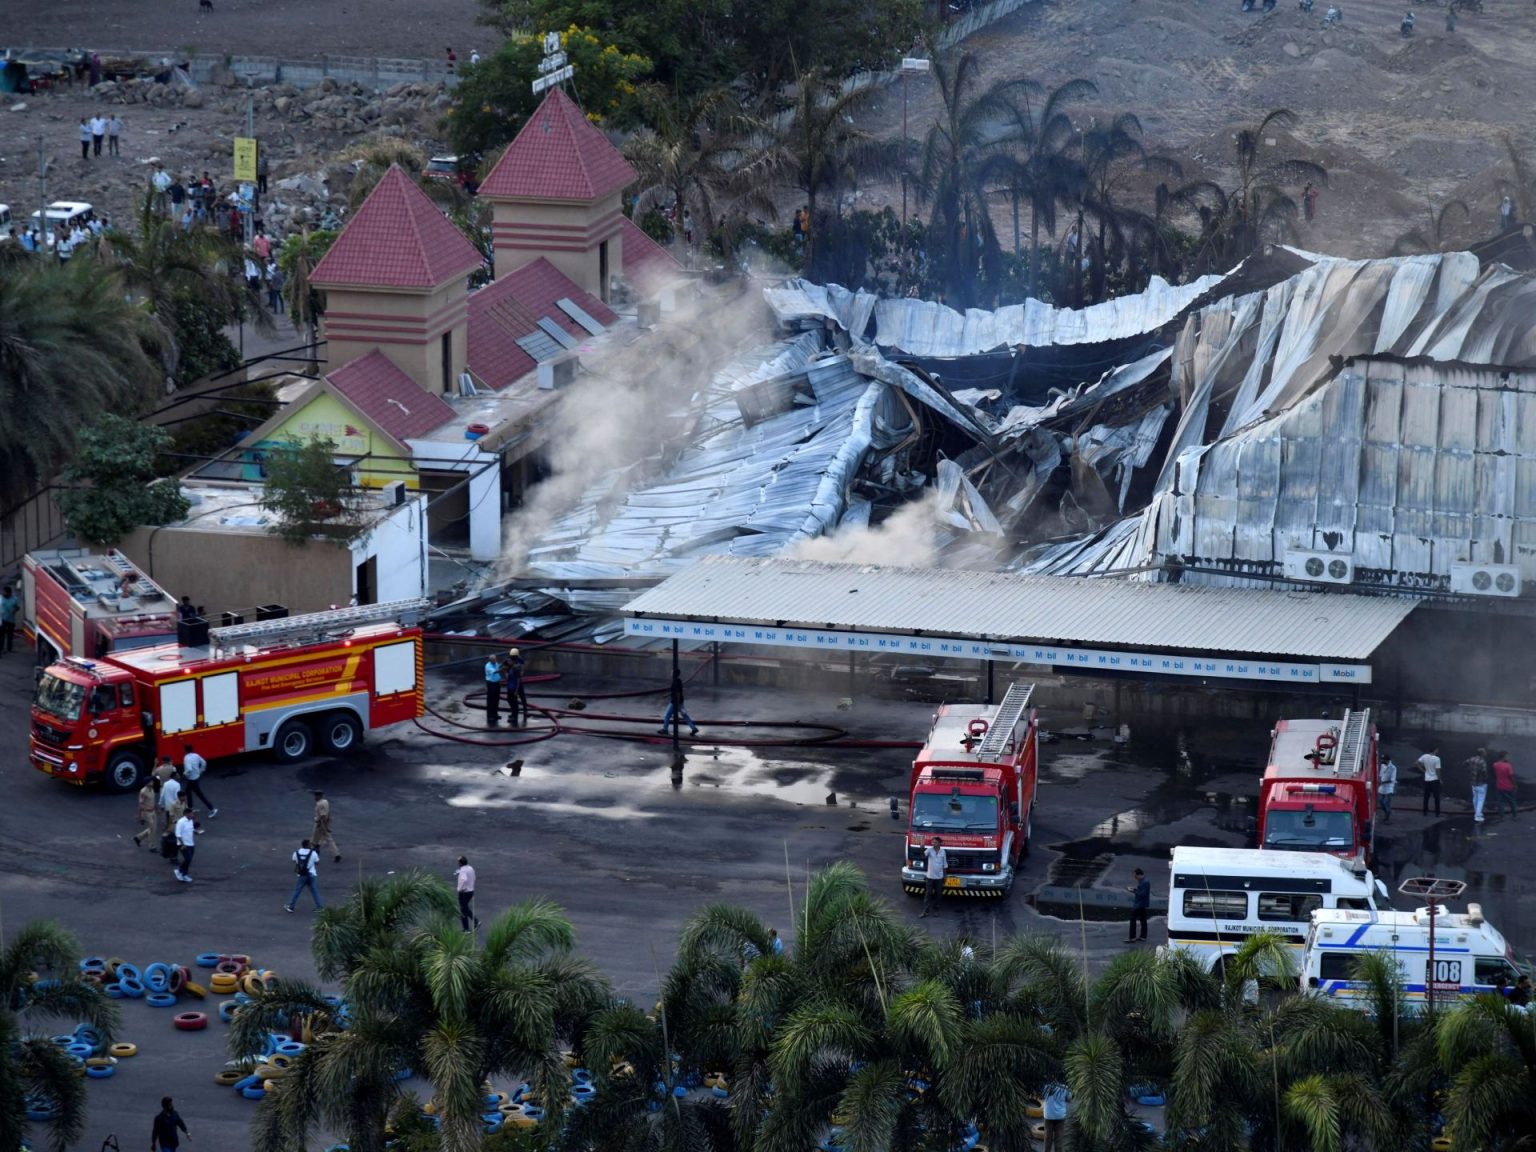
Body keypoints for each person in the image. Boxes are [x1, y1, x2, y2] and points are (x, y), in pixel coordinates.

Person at [659, 668, 699, 736]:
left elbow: (677, 693)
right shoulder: (678, 681)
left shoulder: (675, 682)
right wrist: (667, 695)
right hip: (679, 701)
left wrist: (677, 704)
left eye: (672, 672)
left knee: (667, 715)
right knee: (685, 715)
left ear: (674, 674)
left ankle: (665, 729)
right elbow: (676, 692)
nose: (671, 673)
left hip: (675, 702)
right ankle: (693, 728)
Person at [286, 839, 322, 912]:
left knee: (297, 890)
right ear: (308, 845)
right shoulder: (313, 853)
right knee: (314, 891)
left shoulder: (296, 853)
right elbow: (317, 862)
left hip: (302, 874)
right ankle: (320, 907)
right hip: (311, 874)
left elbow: (294, 861)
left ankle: (291, 906)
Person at [181, 744, 216, 817]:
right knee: (188, 792)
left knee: (198, 794)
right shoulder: (196, 755)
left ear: (185, 750)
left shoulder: (186, 758)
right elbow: (204, 763)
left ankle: (212, 808)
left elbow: (189, 769)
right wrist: (200, 771)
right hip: (196, 777)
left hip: (191, 779)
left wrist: (184, 774)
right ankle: (190, 808)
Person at [920, 835, 947, 917]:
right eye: (933, 842)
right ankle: (925, 911)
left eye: (935, 842)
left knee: (938, 895)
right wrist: (921, 848)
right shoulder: (929, 850)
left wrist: (945, 876)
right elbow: (923, 856)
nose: (933, 843)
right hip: (930, 877)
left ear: (939, 843)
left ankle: (936, 910)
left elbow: (944, 864)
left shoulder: (943, 852)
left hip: (939, 877)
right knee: (928, 895)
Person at [311, 790, 340, 862]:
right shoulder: (325, 801)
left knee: (314, 841)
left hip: (320, 824)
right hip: (325, 823)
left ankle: (313, 856)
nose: (314, 797)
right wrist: (328, 824)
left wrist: (323, 826)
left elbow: (322, 816)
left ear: (319, 796)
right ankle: (336, 854)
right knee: (328, 839)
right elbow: (328, 813)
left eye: (316, 795)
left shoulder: (319, 804)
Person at [1042, 1081, 1069, 1152]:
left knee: (1047, 1138)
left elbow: (1041, 1096)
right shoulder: (1065, 1087)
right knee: (1059, 1139)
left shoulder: (1046, 1086)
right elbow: (1069, 1099)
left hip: (1048, 1115)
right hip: (1060, 1116)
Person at [455, 855, 480, 931]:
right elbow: (473, 877)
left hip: (464, 892)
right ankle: (467, 927)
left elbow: (464, 879)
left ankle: (473, 923)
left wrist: (459, 888)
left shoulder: (463, 871)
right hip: (470, 891)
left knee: (463, 909)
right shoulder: (470, 868)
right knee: (464, 909)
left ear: (460, 863)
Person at [1127, 867, 1151, 942]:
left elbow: (1142, 894)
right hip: (1142, 904)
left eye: (1136, 876)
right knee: (1143, 920)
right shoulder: (1143, 881)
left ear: (1139, 875)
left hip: (1139, 904)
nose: (1135, 878)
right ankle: (1143, 937)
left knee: (1133, 918)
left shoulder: (1145, 882)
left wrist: (1133, 891)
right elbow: (1141, 891)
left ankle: (1132, 937)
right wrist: (1135, 889)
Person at [133, 778, 159, 847]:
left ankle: (138, 837)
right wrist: (140, 816)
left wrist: (156, 808)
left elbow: (153, 800)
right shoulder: (143, 791)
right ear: (146, 783)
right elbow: (141, 804)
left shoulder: (152, 790)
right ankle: (152, 846)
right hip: (147, 813)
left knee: (153, 828)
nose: (152, 782)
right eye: (150, 781)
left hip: (153, 811)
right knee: (152, 829)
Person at [173, 807, 197, 882]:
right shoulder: (181, 822)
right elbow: (178, 834)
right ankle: (180, 871)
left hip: (191, 843)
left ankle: (184, 873)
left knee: (189, 860)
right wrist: (182, 844)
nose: (193, 815)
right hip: (183, 844)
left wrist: (197, 831)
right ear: (186, 814)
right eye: (191, 813)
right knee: (188, 858)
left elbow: (191, 829)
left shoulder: (190, 821)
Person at [1492, 750, 1517, 820]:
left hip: (1499, 786)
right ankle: (1514, 816)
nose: (1508, 758)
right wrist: (1514, 785)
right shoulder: (1508, 766)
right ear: (1504, 757)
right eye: (1507, 756)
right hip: (1508, 786)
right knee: (1512, 801)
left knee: (1500, 802)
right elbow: (1511, 776)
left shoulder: (1495, 765)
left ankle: (1502, 817)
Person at [1467, 746, 1489, 823]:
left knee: (1475, 798)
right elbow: (1484, 772)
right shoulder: (1482, 762)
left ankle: (1477, 812)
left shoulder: (1472, 759)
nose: (1486, 753)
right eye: (1485, 752)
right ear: (1482, 754)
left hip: (1473, 782)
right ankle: (1477, 816)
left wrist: (1470, 770)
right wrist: (1486, 779)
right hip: (1481, 783)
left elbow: (1465, 763)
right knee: (1480, 800)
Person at [1418, 745, 1442, 815]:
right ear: (1435, 750)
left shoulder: (1424, 756)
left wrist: (1423, 771)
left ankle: (1425, 812)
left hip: (1427, 779)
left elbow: (1417, 763)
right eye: (1437, 750)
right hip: (1434, 779)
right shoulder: (1437, 759)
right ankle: (1437, 812)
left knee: (1426, 796)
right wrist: (1440, 779)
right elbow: (1438, 770)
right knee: (1436, 797)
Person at [483, 652, 503, 725]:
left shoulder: (496, 664)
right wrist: (503, 668)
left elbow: (498, 670)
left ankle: (495, 714)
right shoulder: (488, 666)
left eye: (495, 659)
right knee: (491, 700)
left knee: (496, 699)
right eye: (493, 659)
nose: (495, 660)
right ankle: (490, 716)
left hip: (497, 683)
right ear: (490, 660)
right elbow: (495, 671)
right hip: (491, 684)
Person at [1378, 751, 1397, 822]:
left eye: (1384, 760)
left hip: (1389, 787)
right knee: (1380, 801)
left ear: (1388, 760)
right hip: (1382, 787)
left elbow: (1392, 780)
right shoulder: (1383, 766)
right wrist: (1379, 780)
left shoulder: (1393, 768)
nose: (1382, 761)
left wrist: (1382, 782)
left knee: (1387, 802)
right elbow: (1380, 775)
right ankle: (1387, 812)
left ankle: (1387, 818)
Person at [0, 583, 18, 653]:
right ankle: (1, 649)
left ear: (9, 593)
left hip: (11, 619)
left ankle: (9, 648)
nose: (3, 593)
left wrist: (15, 610)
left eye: (5, 592)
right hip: (2, 619)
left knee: (10, 635)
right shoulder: (1, 598)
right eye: (3, 592)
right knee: (1, 635)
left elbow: (17, 607)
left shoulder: (14, 598)